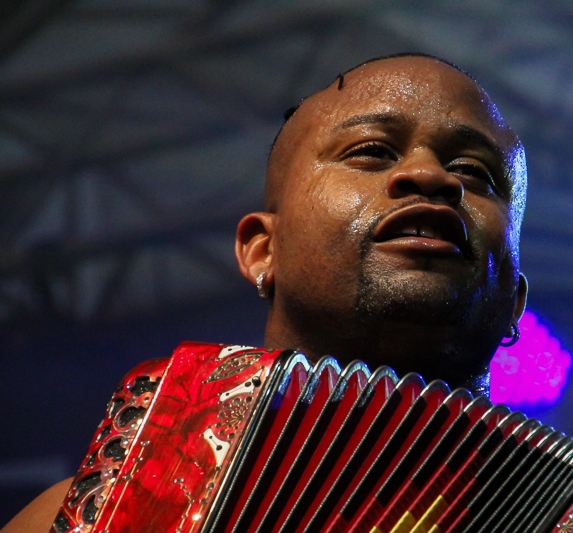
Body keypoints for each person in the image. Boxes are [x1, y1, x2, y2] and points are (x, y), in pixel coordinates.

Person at [1, 53, 528, 533]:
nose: (430, 176)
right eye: (371, 151)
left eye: (475, 172)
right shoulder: (88, 515)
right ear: (262, 250)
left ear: (514, 302)